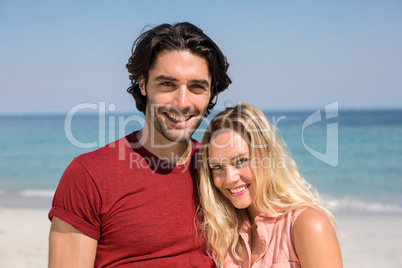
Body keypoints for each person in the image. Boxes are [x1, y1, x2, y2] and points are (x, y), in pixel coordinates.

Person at [48, 22, 231, 267]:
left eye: (197, 87)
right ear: (143, 84)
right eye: (168, 84)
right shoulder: (89, 175)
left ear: (211, 94)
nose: (183, 102)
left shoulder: (224, 171)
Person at [198, 103, 342, 267]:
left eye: (241, 161)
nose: (229, 178)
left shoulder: (308, 225)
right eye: (217, 167)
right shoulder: (223, 235)